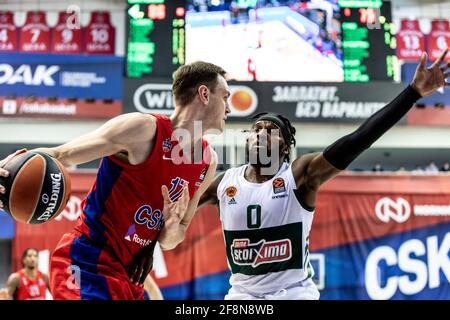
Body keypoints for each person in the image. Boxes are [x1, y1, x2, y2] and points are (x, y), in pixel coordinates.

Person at [149, 49, 446, 300]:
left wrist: (412, 94)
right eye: (256, 131)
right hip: (241, 296)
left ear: (285, 148)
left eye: (271, 132)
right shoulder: (223, 182)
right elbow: (169, 221)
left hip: (292, 293)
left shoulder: (300, 175)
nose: (260, 136)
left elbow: (358, 139)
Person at [0, 61, 230, 300]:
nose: (228, 108)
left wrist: (171, 226)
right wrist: (9, 166)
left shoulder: (207, 161)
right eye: (225, 97)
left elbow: (173, 238)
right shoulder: (142, 130)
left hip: (129, 276)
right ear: (204, 94)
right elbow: (62, 154)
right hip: (87, 262)